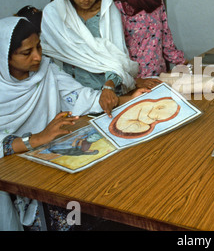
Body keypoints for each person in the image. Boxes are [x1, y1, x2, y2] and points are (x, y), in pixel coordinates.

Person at [0, 17, 148, 230]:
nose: (37, 56)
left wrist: (127, 99)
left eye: (39, 47)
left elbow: (79, 96)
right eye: (26, 52)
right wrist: (37, 139)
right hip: (16, 173)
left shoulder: (46, 70)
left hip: (51, 158)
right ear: (4, 56)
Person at [40, 0, 153, 115]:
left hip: (111, 94)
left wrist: (108, 87)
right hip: (74, 98)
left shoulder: (108, 12)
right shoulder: (53, 15)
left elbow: (117, 57)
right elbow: (47, 59)